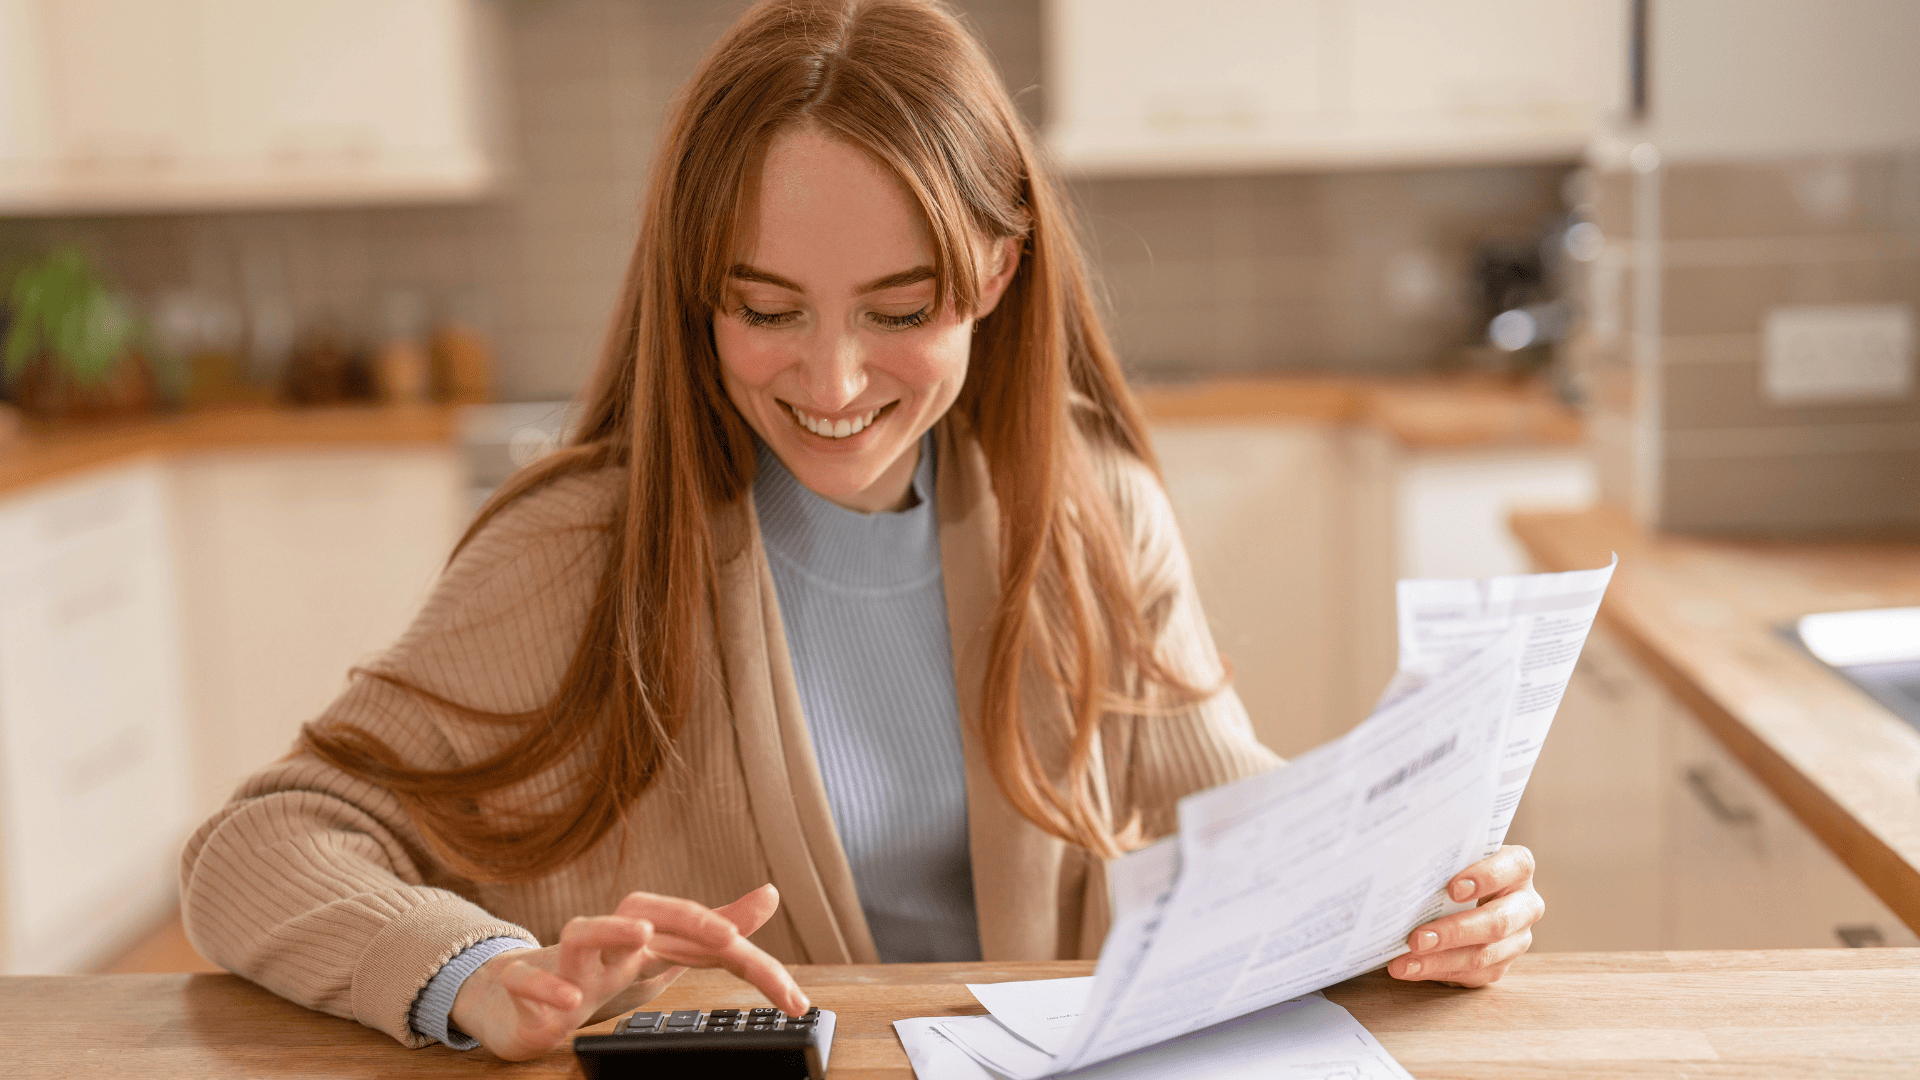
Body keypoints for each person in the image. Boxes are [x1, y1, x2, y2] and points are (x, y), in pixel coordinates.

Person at [179, 0, 1546, 1061]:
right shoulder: (579, 550)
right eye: (767, 309)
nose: (831, 385)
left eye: (899, 310)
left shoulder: (1087, 502)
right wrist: (478, 975)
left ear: (995, 273)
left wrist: (1418, 897)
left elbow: (1232, 823)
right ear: (694, 292)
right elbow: (260, 849)